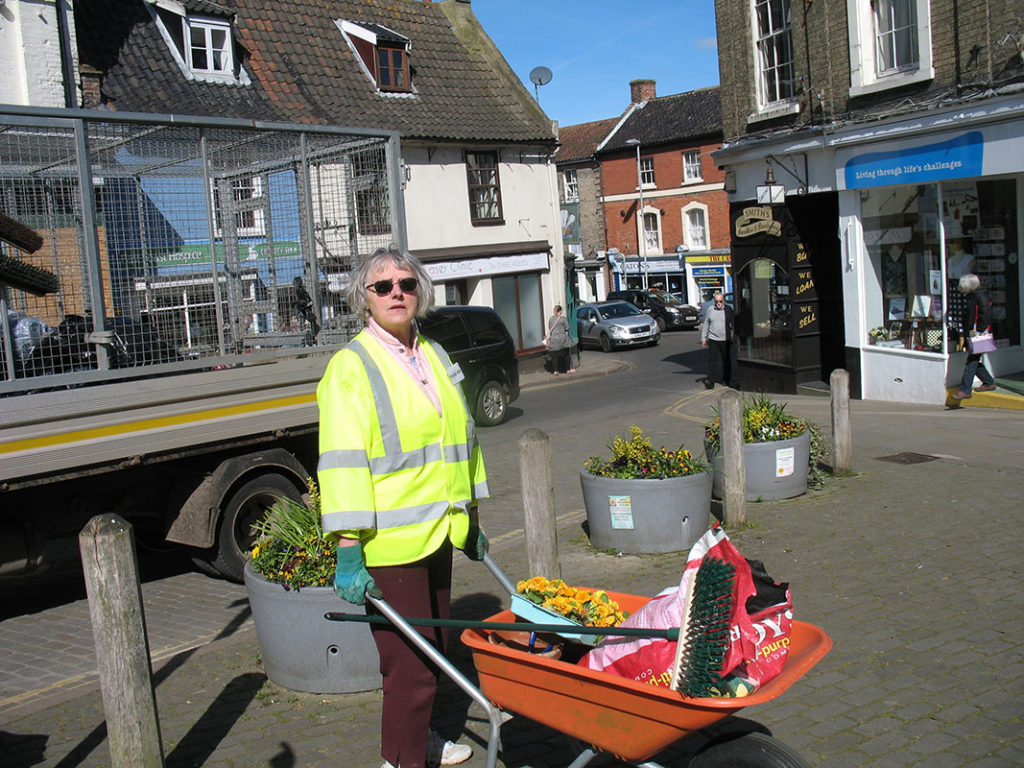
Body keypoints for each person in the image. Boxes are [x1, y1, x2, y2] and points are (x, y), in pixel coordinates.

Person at [316, 247, 489, 768]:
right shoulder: (351, 367)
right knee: (408, 667)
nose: (396, 292)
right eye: (382, 285)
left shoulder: (432, 354)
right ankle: (401, 760)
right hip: (388, 546)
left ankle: (420, 742)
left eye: (406, 284)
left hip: (438, 531)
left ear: (421, 291)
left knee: (433, 651)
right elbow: (343, 464)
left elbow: (461, 439)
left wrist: (470, 516)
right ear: (363, 298)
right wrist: (349, 548)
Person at [952, 273, 997, 400]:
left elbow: (985, 315)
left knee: (972, 360)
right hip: (974, 332)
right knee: (974, 359)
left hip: (978, 332)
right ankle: (988, 382)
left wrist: (979, 331)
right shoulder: (974, 296)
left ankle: (965, 390)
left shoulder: (980, 296)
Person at [700, 292, 734, 389]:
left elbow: (732, 324)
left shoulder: (728, 309)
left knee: (726, 360)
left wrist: (732, 337)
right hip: (713, 339)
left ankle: (727, 380)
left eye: (720, 301)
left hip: (725, 339)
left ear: (723, 301)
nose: (718, 303)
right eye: (716, 301)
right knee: (712, 361)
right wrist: (703, 338)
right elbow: (706, 324)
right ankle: (710, 381)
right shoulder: (710, 310)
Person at [545, 304, 573, 375]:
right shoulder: (563, 319)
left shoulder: (551, 319)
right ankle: (567, 370)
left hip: (554, 340)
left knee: (555, 356)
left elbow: (550, 327)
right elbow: (567, 328)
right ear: (560, 311)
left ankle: (555, 371)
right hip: (563, 340)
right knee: (566, 355)